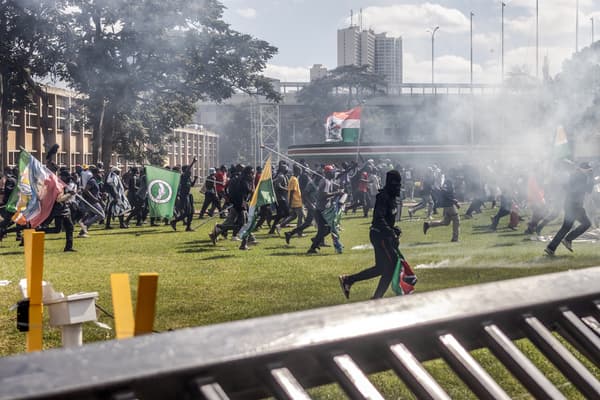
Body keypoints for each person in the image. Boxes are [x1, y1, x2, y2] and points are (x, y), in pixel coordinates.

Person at [338, 170, 407, 299]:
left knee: (382, 268)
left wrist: (394, 229)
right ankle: (377, 298)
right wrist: (390, 231)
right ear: (392, 182)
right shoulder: (384, 196)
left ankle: (349, 280)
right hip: (380, 236)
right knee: (392, 264)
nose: (398, 186)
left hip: (383, 235)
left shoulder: (391, 197)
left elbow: (386, 219)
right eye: (396, 183)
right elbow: (378, 218)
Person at [545, 162, 594, 256]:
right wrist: (591, 177)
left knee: (565, 227)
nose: (589, 170)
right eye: (587, 168)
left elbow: (567, 187)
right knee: (587, 224)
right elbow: (589, 190)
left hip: (569, 205)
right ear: (581, 168)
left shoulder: (574, 175)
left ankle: (550, 248)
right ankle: (568, 239)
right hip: (575, 206)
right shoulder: (582, 177)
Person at [307, 165, 341, 254]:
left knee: (328, 228)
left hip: (323, 209)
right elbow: (324, 195)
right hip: (321, 210)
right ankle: (312, 248)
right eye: (333, 172)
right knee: (323, 230)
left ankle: (316, 240)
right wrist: (337, 193)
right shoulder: (326, 182)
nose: (334, 173)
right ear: (329, 173)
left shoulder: (327, 181)